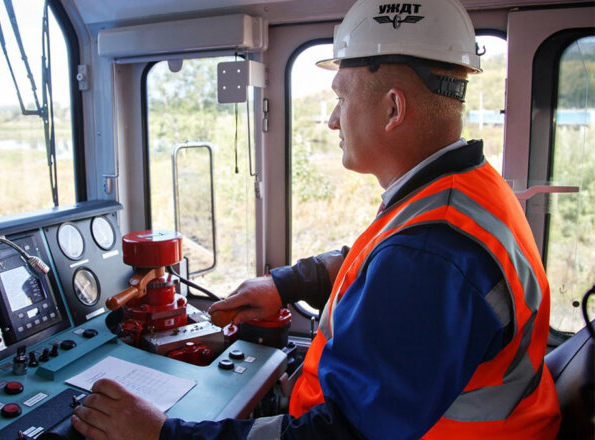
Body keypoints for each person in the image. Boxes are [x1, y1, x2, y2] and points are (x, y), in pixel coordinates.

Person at [70, 0, 562, 438]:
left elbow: (342, 434)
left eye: (342, 97)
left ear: (393, 108)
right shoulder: (460, 193)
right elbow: (369, 266)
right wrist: (284, 286)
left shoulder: (431, 254)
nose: (332, 120)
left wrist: (161, 434)